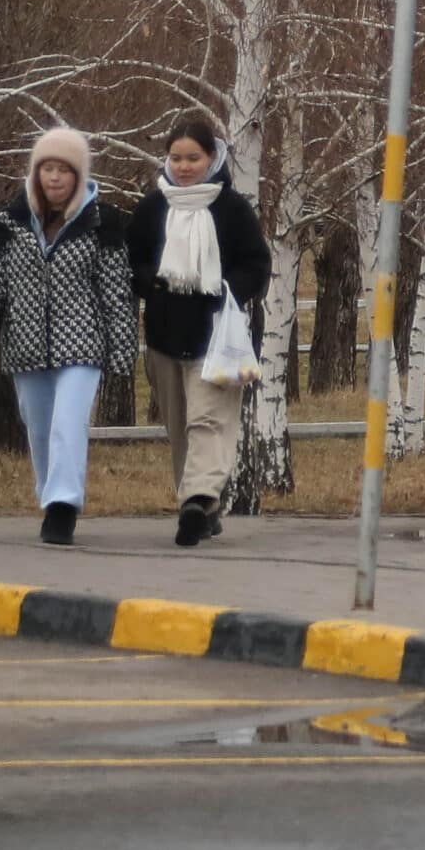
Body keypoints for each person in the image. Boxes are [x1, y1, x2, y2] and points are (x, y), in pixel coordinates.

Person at [0, 126, 136, 548]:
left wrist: (122, 352)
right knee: (38, 427)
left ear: (79, 174)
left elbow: (116, 293)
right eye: (47, 168)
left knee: (68, 424)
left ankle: (62, 506)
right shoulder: (8, 221)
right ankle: (49, 493)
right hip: (26, 345)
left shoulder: (102, 222)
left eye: (64, 170)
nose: (54, 177)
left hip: (82, 345)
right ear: (35, 173)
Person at [127, 111, 273, 547]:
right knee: (180, 427)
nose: (184, 166)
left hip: (216, 337)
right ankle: (203, 506)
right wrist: (153, 281)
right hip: (165, 335)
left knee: (208, 421)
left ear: (212, 157)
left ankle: (195, 500)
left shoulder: (232, 209)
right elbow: (131, 262)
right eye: (176, 158)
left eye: (193, 158)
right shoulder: (153, 207)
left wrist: (225, 288)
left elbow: (257, 264)